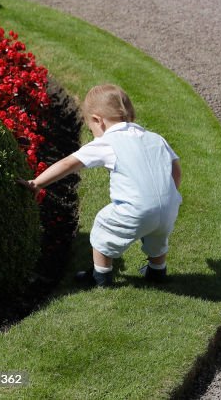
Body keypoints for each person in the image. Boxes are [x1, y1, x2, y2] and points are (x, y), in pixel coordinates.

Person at [19, 84, 183, 287]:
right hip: (169, 207)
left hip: (136, 209)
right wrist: (171, 194)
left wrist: (37, 183)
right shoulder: (156, 139)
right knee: (157, 238)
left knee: (103, 227)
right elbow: (176, 169)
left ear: (98, 120)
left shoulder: (108, 142)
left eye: (91, 128)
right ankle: (157, 272)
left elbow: (68, 163)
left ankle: (101, 276)